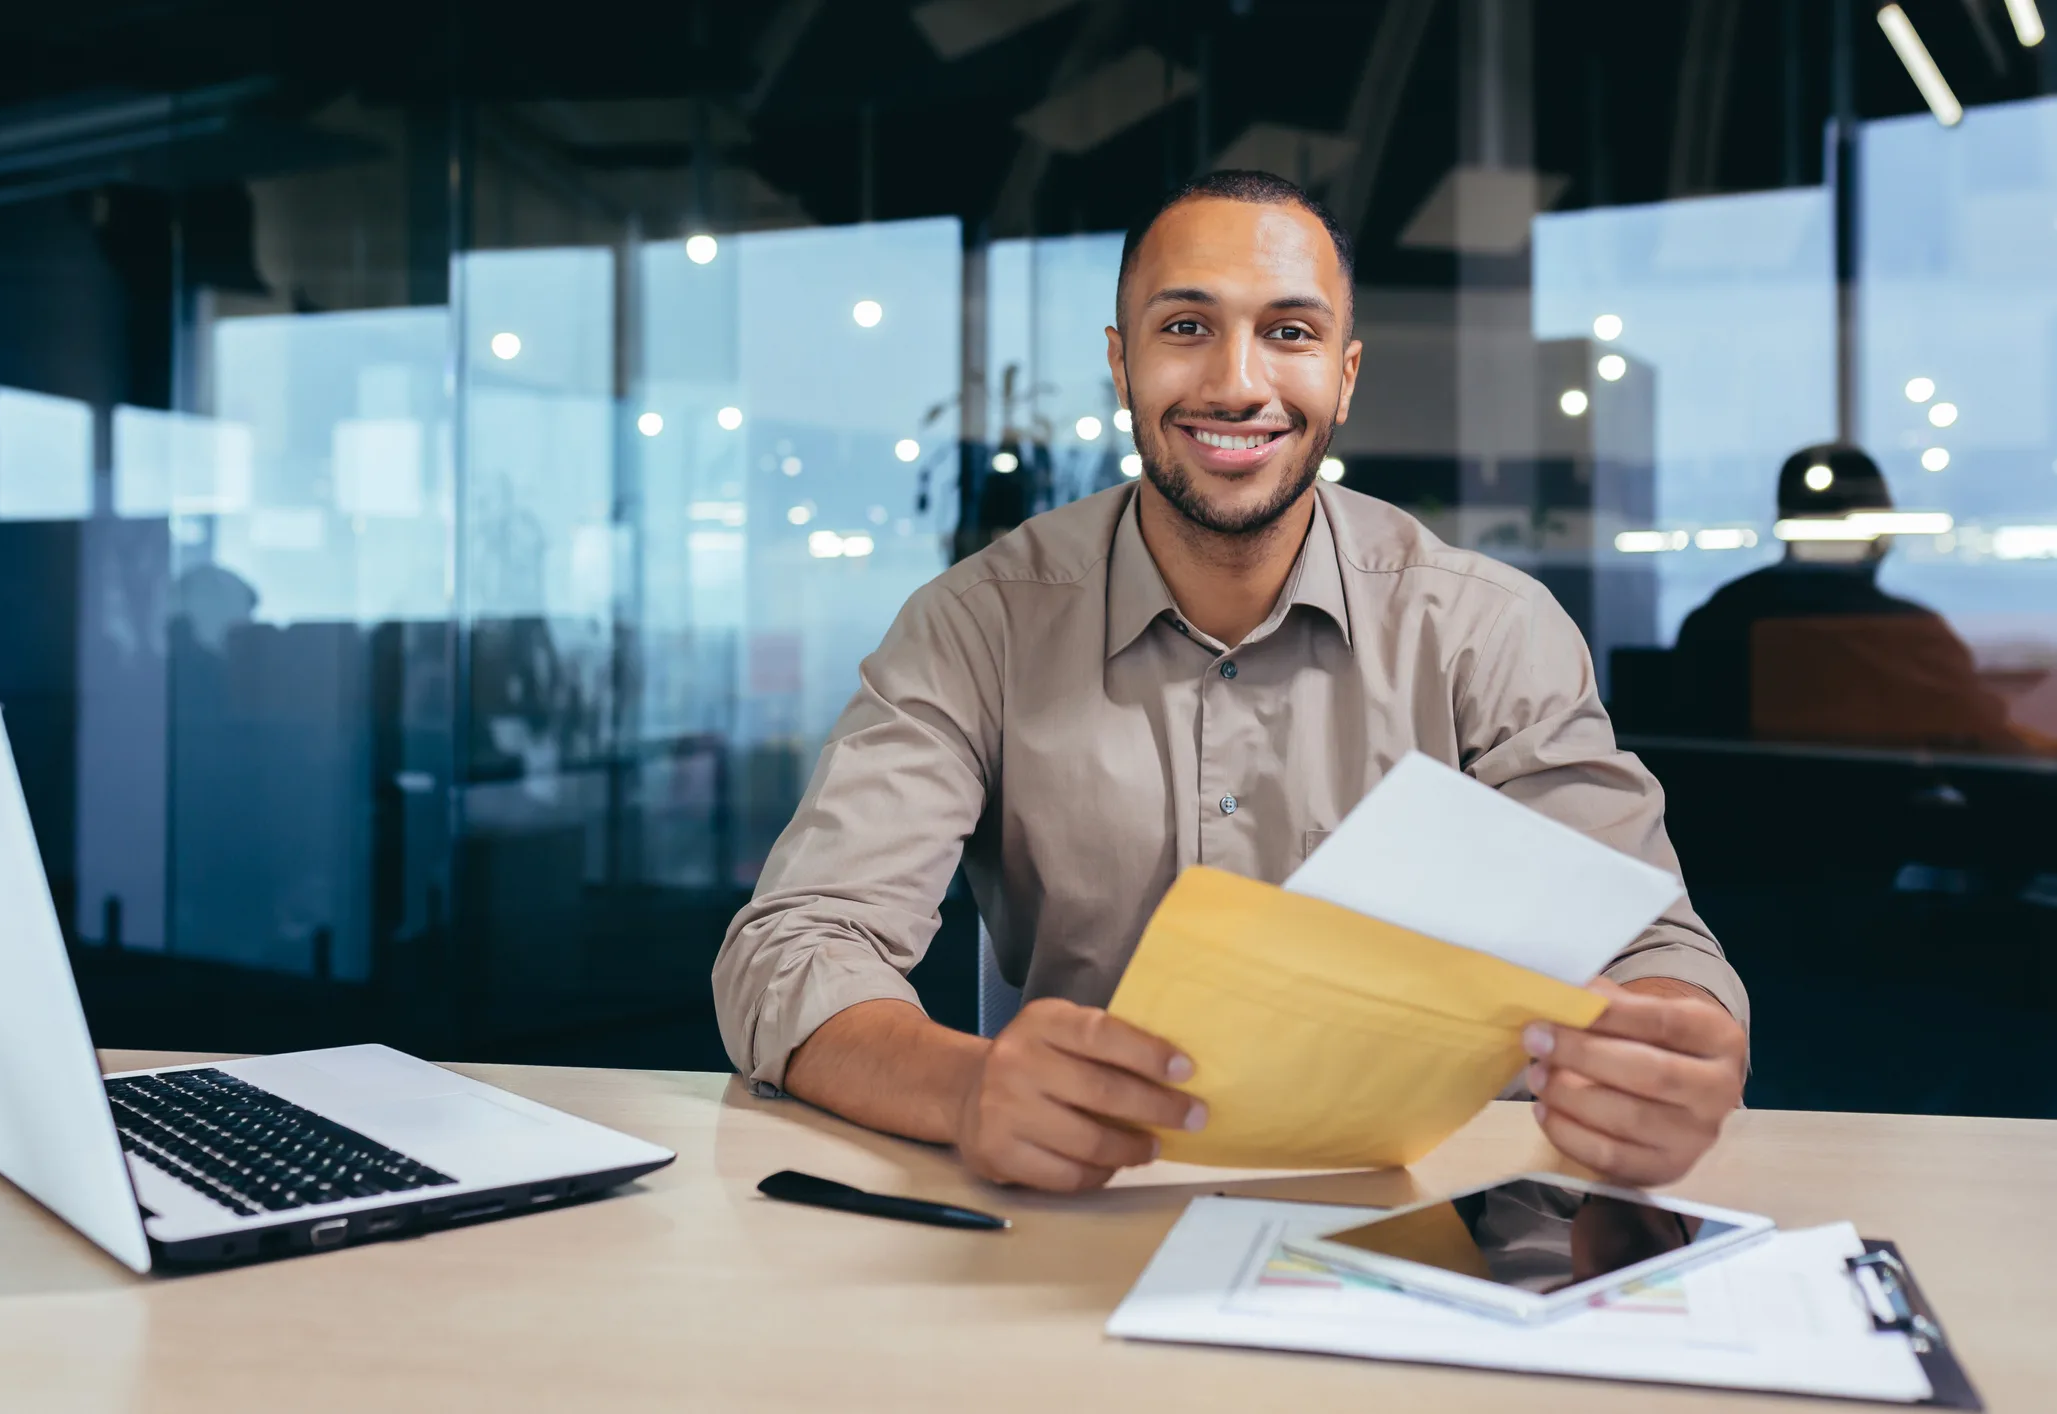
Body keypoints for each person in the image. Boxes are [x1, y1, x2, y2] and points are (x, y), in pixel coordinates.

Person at [714, 171, 1749, 1194]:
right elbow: (794, 944)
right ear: (1121, 365)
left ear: (1345, 376)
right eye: (1186, 329)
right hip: (1081, 1209)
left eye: (1290, 333)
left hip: (1434, 1209)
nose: (1236, 386)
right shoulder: (979, 623)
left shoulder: (1487, 628)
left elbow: (1653, 943)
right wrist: (969, 1086)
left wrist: (1670, 1054)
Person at [1673, 445, 2036, 753]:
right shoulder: (1906, 635)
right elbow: (1990, 746)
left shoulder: (1719, 619)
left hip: (1735, 829)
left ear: (1784, 520)